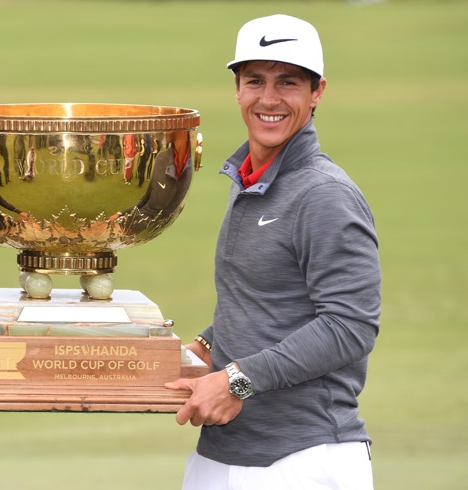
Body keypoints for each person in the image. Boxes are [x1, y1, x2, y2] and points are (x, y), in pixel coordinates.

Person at [166, 14, 380, 489]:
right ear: (237, 89)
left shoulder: (324, 194)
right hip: (222, 454)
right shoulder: (251, 180)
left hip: (303, 459)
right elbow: (265, 299)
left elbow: (351, 324)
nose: (269, 99)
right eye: (255, 81)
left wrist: (237, 380)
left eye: (288, 82)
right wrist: (202, 348)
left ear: (317, 91)